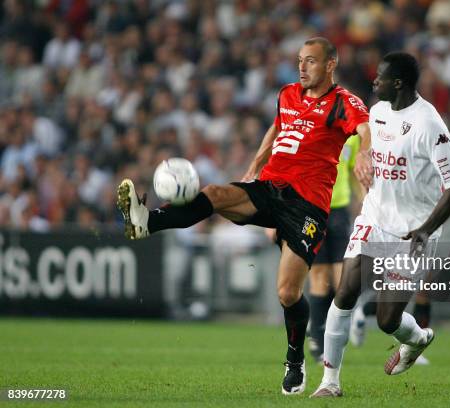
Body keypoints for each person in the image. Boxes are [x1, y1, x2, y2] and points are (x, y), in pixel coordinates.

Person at [116, 37, 371, 395]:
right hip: (270, 187)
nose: (302, 67)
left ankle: (295, 359)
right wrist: (255, 163)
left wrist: (365, 153)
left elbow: (364, 127)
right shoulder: (287, 94)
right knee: (216, 194)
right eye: (300, 60)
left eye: (310, 61)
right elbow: (279, 126)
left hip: (307, 206)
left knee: (286, 292)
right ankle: (146, 222)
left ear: (330, 64)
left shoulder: (343, 102)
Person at [311, 52, 450, 397]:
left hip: (413, 231)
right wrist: (363, 160)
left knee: (387, 321)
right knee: (346, 289)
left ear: (398, 83)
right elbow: (365, 148)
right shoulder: (378, 112)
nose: (374, 82)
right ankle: (329, 382)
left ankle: (418, 339)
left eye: (379, 78)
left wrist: (426, 229)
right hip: (375, 218)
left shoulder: (429, 125)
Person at [308, 135, 362, 362]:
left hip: (338, 212)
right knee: (320, 278)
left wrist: (363, 200)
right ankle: (318, 341)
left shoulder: (353, 137)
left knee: (342, 280)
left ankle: (331, 331)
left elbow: (352, 171)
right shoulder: (313, 127)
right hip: (312, 208)